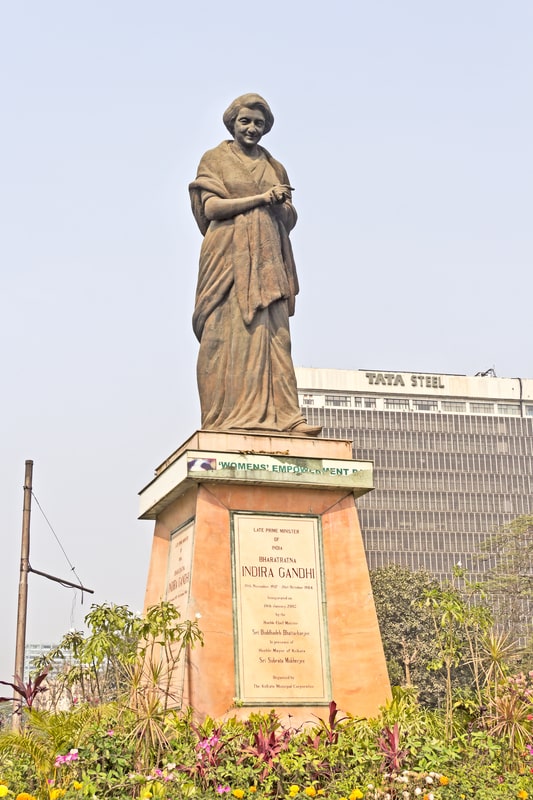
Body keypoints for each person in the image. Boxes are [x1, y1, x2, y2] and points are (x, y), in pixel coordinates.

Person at [189, 93, 321, 436]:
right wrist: (262, 198)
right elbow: (211, 209)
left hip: (268, 259)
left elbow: (289, 219)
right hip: (227, 257)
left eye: (259, 123)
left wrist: (280, 206)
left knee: (276, 336)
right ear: (232, 123)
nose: (251, 128)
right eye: (245, 121)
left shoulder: (275, 167)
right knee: (221, 336)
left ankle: (287, 417)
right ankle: (221, 419)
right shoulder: (215, 159)